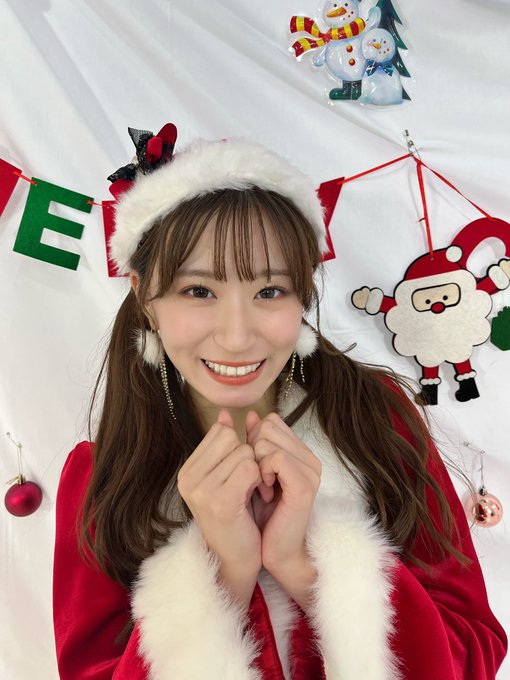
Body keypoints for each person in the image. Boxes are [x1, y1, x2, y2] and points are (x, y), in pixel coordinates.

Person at [53, 124, 507, 680]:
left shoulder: (375, 420)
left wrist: (308, 566)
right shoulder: (101, 475)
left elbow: (474, 653)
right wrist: (222, 573)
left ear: (302, 295)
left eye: (269, 291)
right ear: (146, 297)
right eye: (199, 291)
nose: (237, 336)